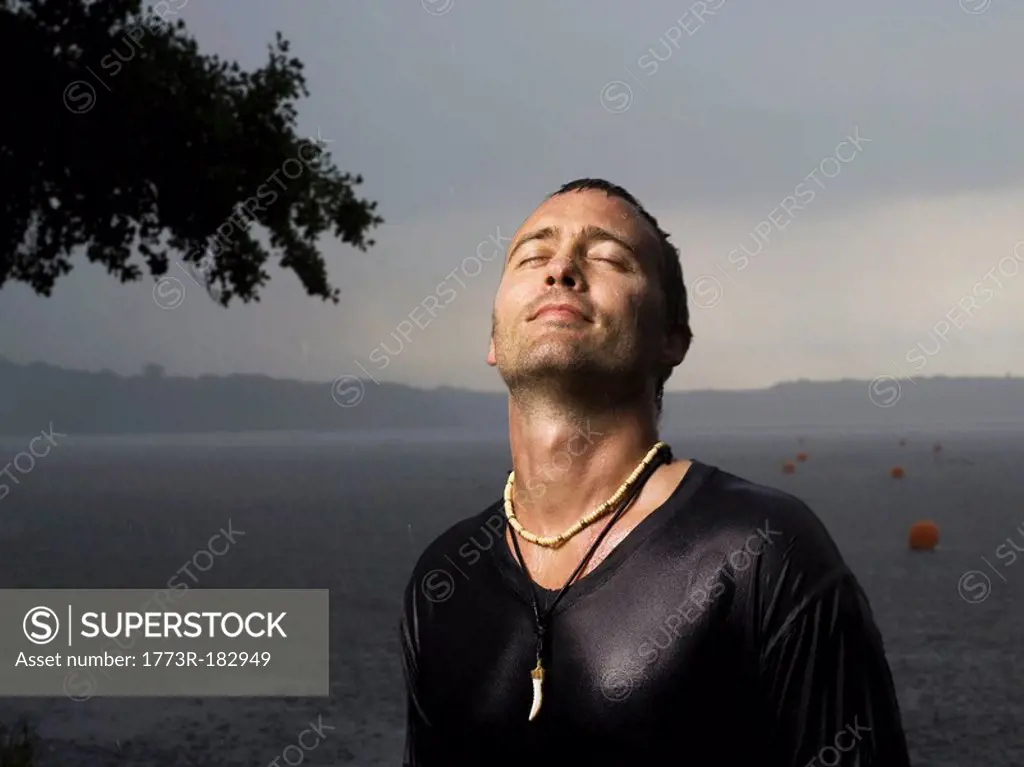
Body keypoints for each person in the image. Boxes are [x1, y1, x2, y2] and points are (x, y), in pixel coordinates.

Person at [399, 179, 911, 766]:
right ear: (494, 338)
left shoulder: (762, 552)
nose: (561, 269)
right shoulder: (441, 579)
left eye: (609, 257)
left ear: (673, 338)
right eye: (533, 256)